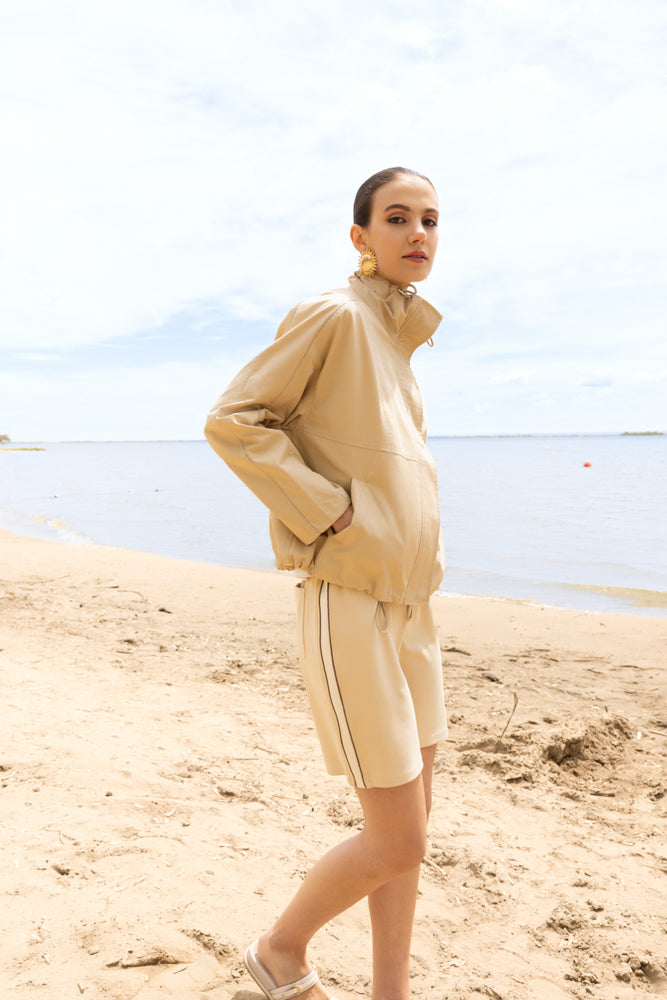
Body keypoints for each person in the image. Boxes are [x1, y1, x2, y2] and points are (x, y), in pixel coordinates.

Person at [204, 166, 448, 1000]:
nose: (417, 233)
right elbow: (234, 421)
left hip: (412, 607)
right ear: (360, 236)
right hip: (348, 601)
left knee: (412, 833)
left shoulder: (395, 340)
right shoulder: (335, 315)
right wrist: (327, 512)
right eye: (397, 217)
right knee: (398, 839)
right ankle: (280, 951)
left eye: (429, 220)